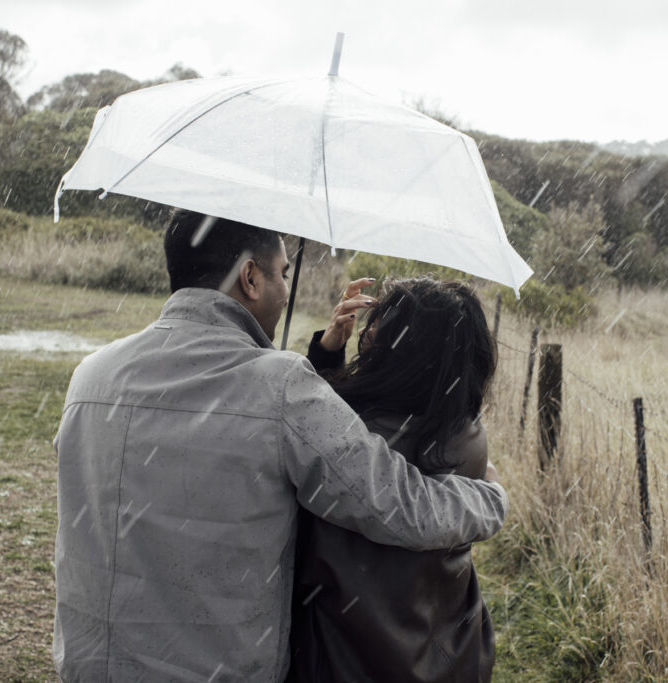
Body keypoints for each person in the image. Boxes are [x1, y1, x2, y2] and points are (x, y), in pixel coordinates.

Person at [52, 210, 508, 682]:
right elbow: (398, 505)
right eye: (284, 273)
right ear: (250, 277)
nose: (286, 290)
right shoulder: (280, 386)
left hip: (89, 664)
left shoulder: (92, 373)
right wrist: (488, 498)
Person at [290, 276, 498, 682]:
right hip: (446, 644)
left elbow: (324, 426)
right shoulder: (463, 431)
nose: (368, 333)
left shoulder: (358, 435)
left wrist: (327, 356)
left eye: (379, 325)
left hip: (351, 650)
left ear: (407, 351)